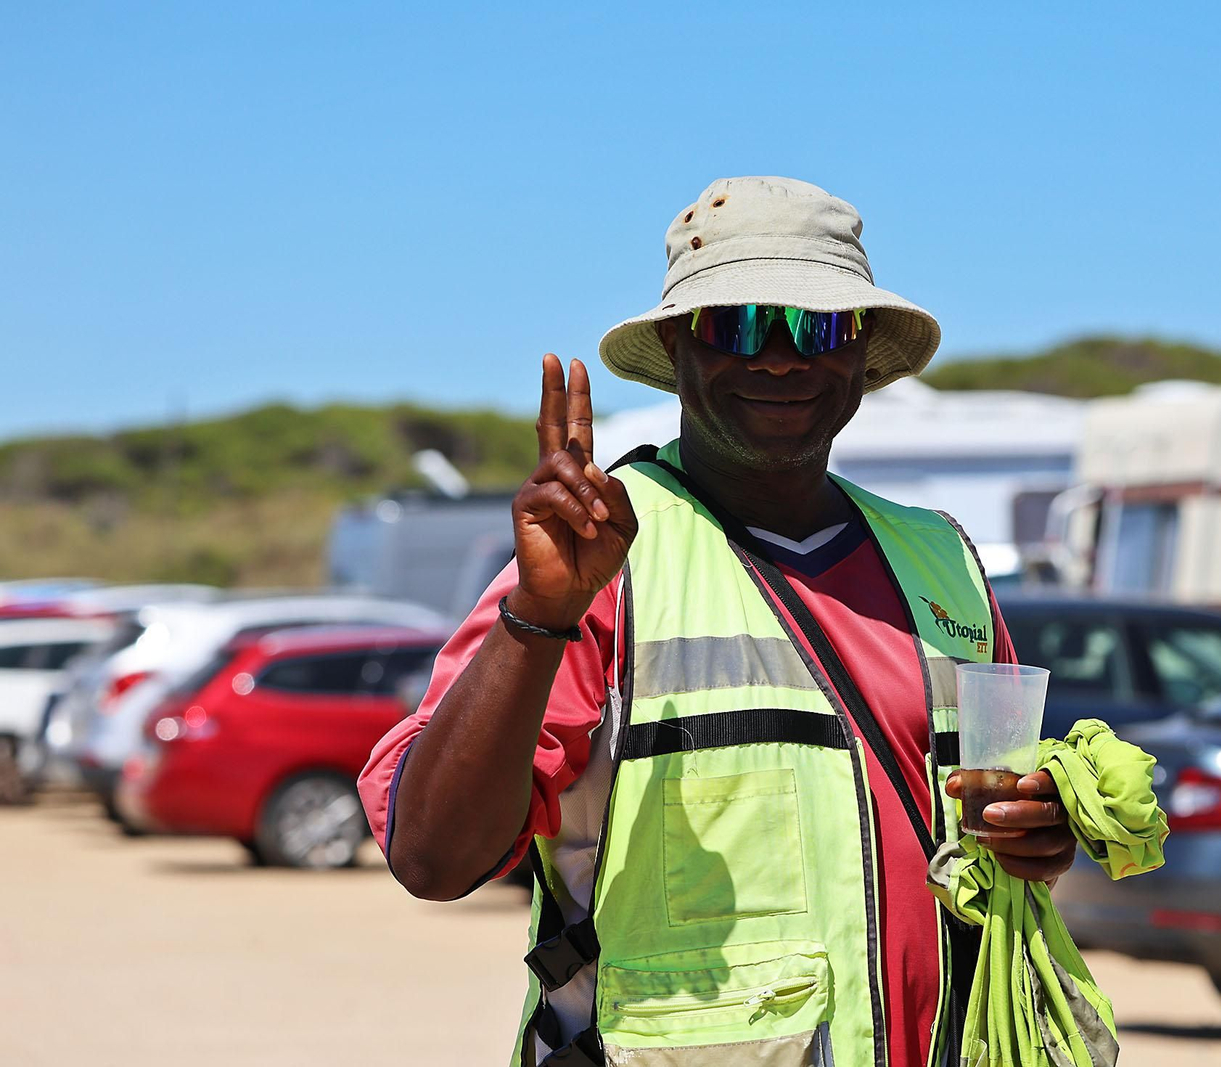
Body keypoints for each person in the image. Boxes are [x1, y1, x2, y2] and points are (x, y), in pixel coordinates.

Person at [359, 176, 1078, 1067]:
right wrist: (539, 617)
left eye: (816, 327)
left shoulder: (945, 559)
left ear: (861, 348)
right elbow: (433, 858)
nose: (779, 359)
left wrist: (1039, 833)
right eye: (739, 325)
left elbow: (983, 826)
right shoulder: (596, 561)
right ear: (677, 345)